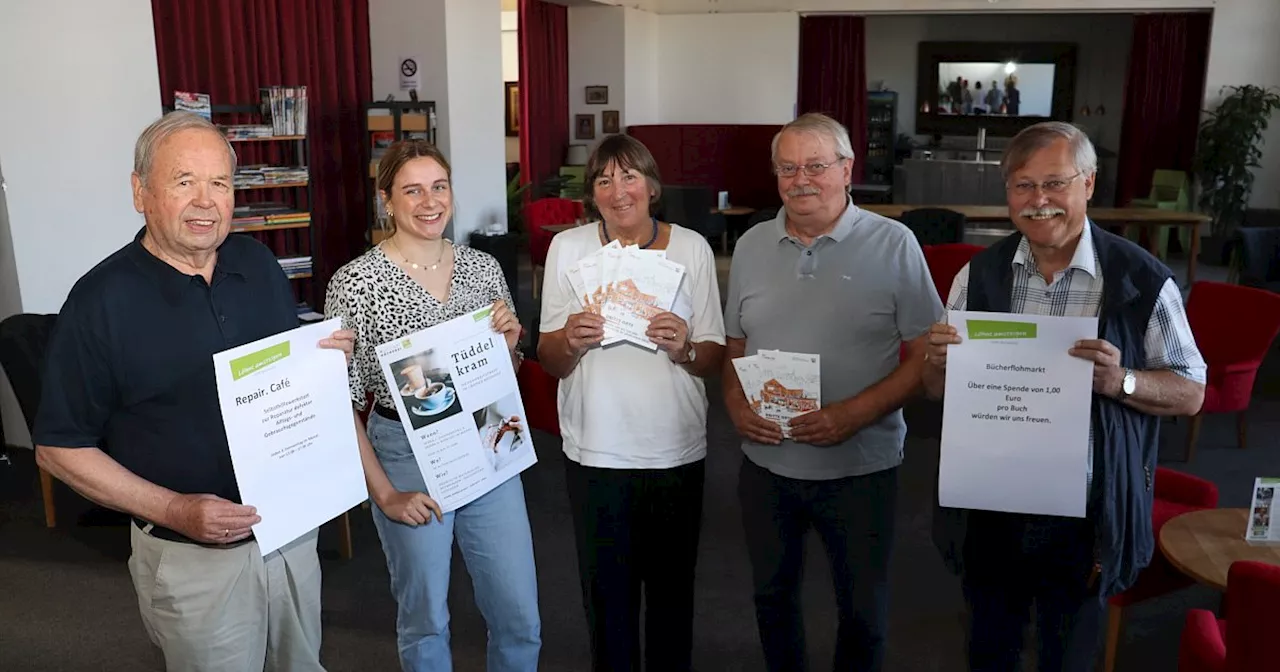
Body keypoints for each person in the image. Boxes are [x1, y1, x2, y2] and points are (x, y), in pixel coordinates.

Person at [32, 111, 355, 671]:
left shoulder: (257, 264)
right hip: (194, 560)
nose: (206, 201)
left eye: (220, 184)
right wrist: (175, 509)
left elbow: (276, 375)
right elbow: (59, 447)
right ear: (140, 192)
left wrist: (318, 358)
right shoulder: (99, 303)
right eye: (184, 182)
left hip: (293, 536)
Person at [923, 121, 1206, 672]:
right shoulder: (978, 275)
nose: (1039, 201)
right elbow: (937, 390)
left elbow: (1192, 391)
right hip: (991, 503)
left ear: (1089, 184)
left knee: (1069, 653)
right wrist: (937, 366)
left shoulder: (1140, 279)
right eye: (1022, 186)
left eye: (1055, 182)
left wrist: (1122, 381)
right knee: (987, 647)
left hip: (1084, 512)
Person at [722, 112, 942, 672]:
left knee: (863, 612)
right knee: (772, 600)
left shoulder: (895, 245)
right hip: (767, 466)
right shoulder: (749, 246)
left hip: (860, 467)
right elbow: (734, 346)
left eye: (816, 166)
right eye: (788, 168)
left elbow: (925, 357)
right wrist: (735, 404)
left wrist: (855, 413)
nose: (801, 180)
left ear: (847, 169)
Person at [323, 139, 540, 671]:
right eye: (412, 190)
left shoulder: (482, 268)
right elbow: (339, 404)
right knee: (426, 621)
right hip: (406, 451)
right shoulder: (355, 283)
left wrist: (510, 347)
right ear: (386, 201)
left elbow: (503, 373)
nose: (429, 201)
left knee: (519, 616)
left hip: (488, 436)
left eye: (438, 187)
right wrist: (386, 494)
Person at [537, 134, 726, 672]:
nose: (618, 191)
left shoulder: (690, 247)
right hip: (597, 450)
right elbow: (550, 357)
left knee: (672, 600)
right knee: (607, 605)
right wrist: (569, 340)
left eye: (629, 176)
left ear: (652, 186)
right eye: (603, 180)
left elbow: (712, 355)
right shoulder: (568, 250)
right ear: (592, 194)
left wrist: (684, 347)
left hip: (675, 449)